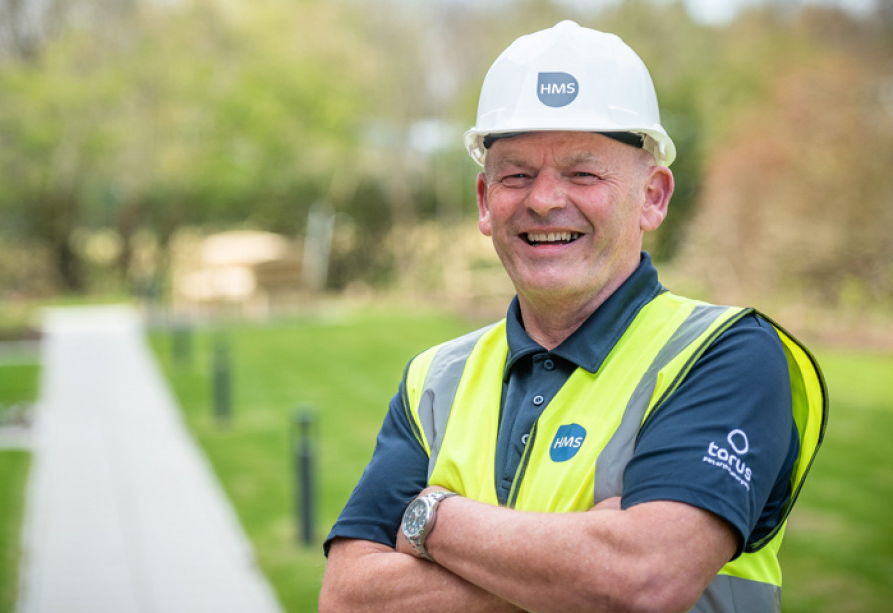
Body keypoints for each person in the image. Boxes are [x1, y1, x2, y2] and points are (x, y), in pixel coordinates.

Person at [319, 20, 826, 613]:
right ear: (485, 202)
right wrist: (576, 557)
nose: (543, 199)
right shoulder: (433, 380)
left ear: (654, 197)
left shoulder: (727, 354)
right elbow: (348, 598)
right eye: (517, 174)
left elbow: (641, 579)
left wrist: (430, 518)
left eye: (583, 172)